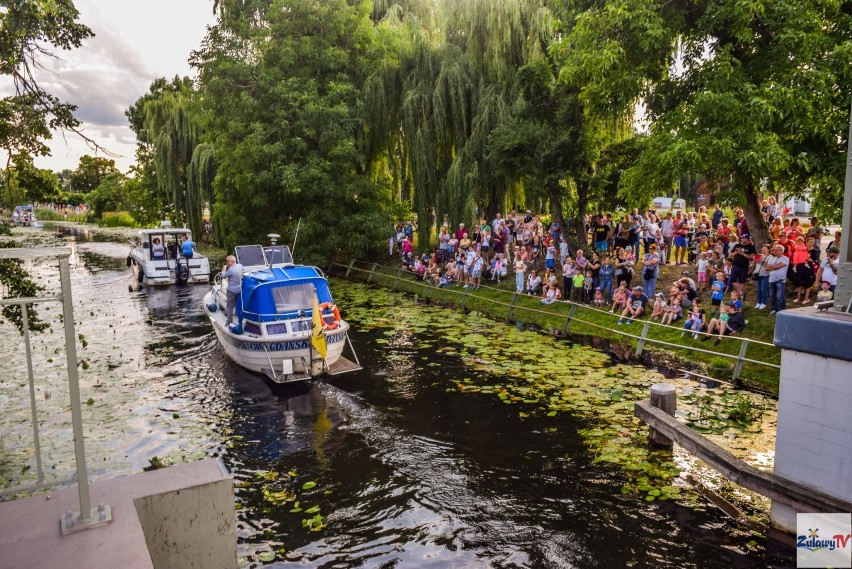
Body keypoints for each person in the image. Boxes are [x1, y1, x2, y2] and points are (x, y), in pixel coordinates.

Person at [727, 234, 755, 298]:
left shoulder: (751, 247)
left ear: (747, 239)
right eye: (741, 238)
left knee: (742, 281)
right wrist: (736, 253)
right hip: (735, 265)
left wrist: (743, 254)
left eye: (743, 238)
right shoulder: (737, 245)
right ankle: (741, 292)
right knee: (732, 280)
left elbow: (752, 257)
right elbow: (730, 255)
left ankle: (740, 296)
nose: (742, 239)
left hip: (744, 266)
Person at [764, 244, 790, 315]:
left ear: (781, 251)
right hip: (771, 280)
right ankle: (775, 309)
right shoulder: (772, 258)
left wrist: (772, 267)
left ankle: (782, 310)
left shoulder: (785, 258)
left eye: (777, 250)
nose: (775, 251)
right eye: (774, 250)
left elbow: (777, 267)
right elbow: (766, 268)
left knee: (780, 296)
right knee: (772, 296)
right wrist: (774, 267)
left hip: (780, 280)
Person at [221, 255, 243, 326]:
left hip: (232, 291)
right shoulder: (240, 266)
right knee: (238, 305)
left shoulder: (231, 269)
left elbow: (223, 276)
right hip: (239, 289)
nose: (227, 263)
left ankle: (229, 321)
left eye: (228, 261)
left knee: (229, 306)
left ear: (232, 261)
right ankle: (240, 320)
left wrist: (224, 270)